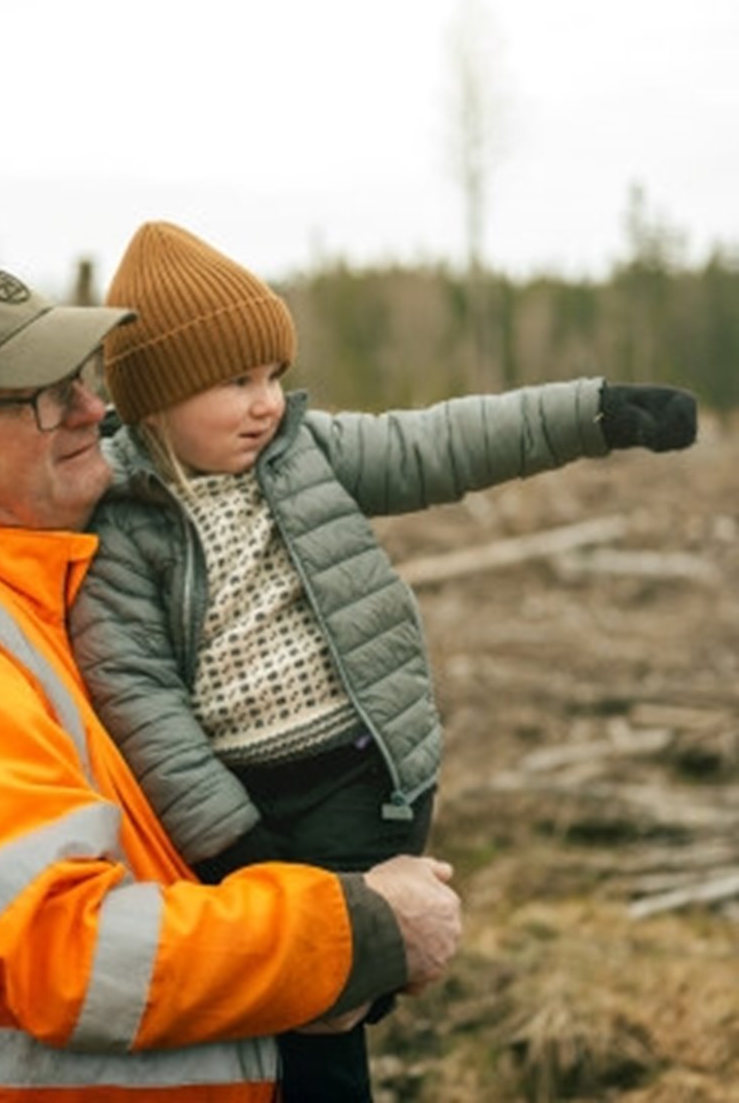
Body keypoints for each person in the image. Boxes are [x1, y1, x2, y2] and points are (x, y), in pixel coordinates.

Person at [0, 254, 464, 1103]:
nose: (95, 410)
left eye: (82, 380)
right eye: (43, 397)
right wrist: (357, 930)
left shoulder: (53, 598)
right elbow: (77, 957)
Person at [68, 221, 699, 1103]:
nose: (267, 402)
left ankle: (361, 976)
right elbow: (141, 702)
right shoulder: (121, 526)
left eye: (274, 376)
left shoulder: (304, 454)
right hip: (246, 813)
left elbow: (440, 442)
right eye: (236, 381)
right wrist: (236, 845)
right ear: (157, 401)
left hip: (362, 781)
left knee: (315, 1015)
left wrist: (594, 412)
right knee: (290, 1018)